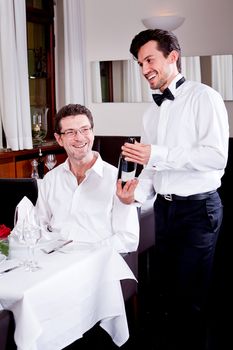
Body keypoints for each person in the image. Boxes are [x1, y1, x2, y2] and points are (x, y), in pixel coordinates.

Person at [116, 29, 229, 349]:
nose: (144, 69)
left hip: (198, 210)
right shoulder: (152, 111)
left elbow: (216, 156)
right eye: (139, 64)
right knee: (166, 293)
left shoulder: (204, 97)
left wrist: (159, 153)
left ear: (173, 57)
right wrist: (134, 195)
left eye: (149, 59)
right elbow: (152, 168)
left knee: (191, 297)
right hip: (164, 211)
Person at [36, 103, 139, 254]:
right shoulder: (50, 179)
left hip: (98, 266)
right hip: (55, 263)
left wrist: (85, 253)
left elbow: (128, 239)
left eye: (85, 130)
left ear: (92, 132)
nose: (79, 138)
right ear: (59, 139)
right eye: (70, 132)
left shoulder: (116, 180)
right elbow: (38, 227)